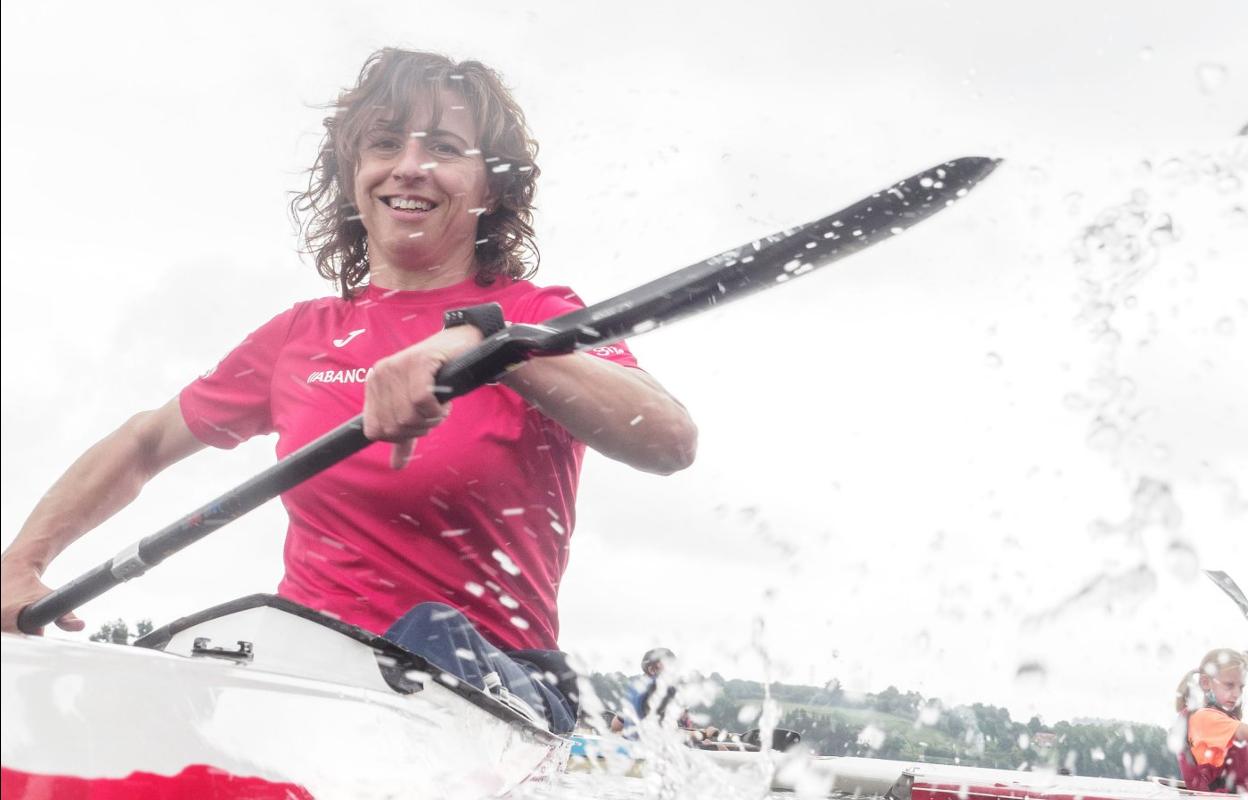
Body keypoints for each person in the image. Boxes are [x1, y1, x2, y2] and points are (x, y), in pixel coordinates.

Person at [0, 48, 697, 735]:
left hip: (491, 689)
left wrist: (491, 342)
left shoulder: (539, 317)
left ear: (491, 188)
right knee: (134, 694)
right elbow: (144, 442)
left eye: (446, 148)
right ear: (354, 173)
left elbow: (667, 440)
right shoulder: (300, 336)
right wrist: (20, 564)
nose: (411, 166)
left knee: (426, 636)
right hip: (302, 674)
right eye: (385, 144)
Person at [1173, 648, 1248, 792]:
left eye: (1241, 687)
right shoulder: (1204, 718)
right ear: (1206, 683)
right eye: (1229, 685)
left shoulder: (1222, 718)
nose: (1237, 694)